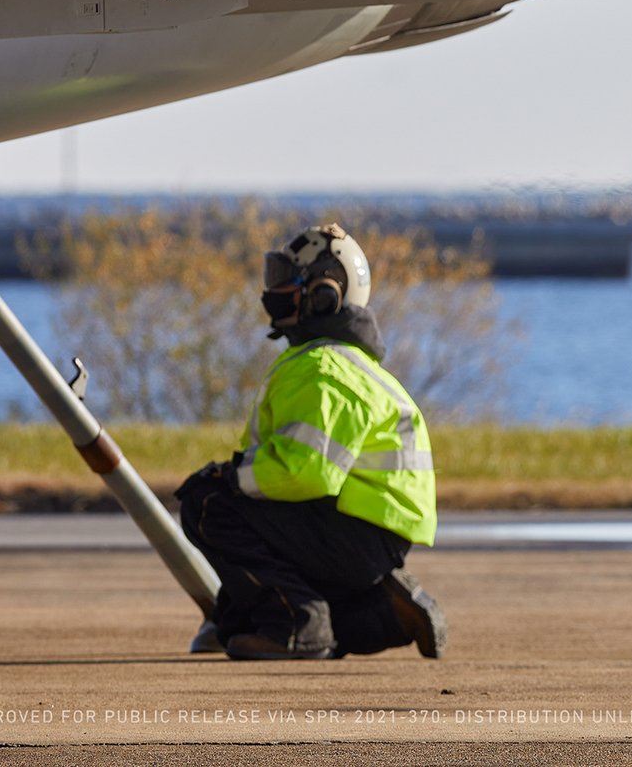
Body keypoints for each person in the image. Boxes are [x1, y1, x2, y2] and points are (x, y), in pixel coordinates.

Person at [177, 221, 446, 661]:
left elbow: (306, 471)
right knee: (240, 622)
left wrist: (231, 479)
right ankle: (386, 614)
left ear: (324, 292)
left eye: (287, 281)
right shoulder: (349, 364)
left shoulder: (323, 370)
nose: (274, 291)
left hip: (353, 531)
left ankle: (296, 629)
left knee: (206, 502)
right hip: (371, 533)